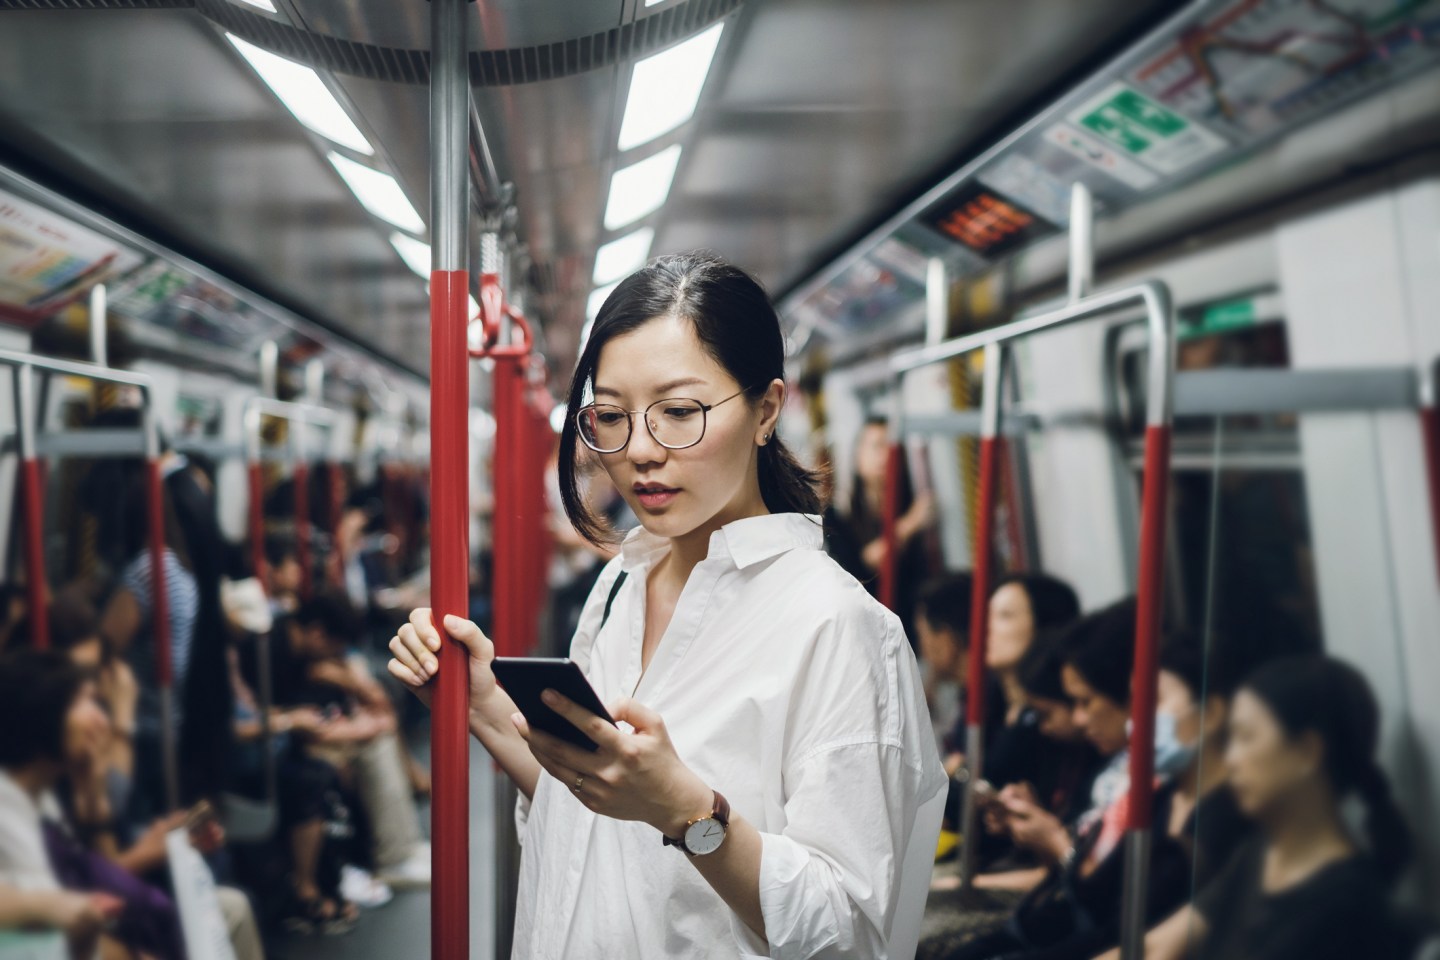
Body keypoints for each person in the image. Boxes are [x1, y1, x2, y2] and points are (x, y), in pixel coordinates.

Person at [389, 253, 947, 958]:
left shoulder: (836, 626)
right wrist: (482, 706)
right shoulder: (621, 582)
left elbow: (850, 931)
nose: (641, 452)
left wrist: (689, 813)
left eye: (679, 413)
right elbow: (593, 815)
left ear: (766, 410)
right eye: (612, 418)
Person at [1105, 655, 1411, 960]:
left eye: (1247, 738)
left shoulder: (1347, 904)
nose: (1231, 759)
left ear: (1307, 751)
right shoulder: (1258, 855)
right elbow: (1157, 947)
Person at [828, 416, 936, 644]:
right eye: (877, 446)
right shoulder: (839, 513)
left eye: (891, 448)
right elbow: (865, 561)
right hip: (868, 629)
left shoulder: (906, 502)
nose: (886, 456)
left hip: (910, 625)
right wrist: (909, 524)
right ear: (858, 456)